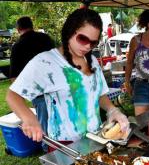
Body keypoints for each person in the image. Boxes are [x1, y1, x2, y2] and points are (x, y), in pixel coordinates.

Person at [6, 8, 129, 147]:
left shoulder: (92, 60)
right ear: (70, 31)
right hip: (65, 145)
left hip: (96, 138)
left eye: (93, 42)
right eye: (83, 39)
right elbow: (12, 95)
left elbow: (100, 94)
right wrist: (28, 117)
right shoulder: (46, 62)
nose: (88, 46)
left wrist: (113, 110)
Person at [9, 16, 55, 151]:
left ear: (18, 29)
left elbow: (14, 76)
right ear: (32, 25)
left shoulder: (18, 46)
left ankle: (48, 149)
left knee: (44, 121)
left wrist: (22, 96)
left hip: (38, 89)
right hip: (55, 83)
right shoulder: (45, 38)